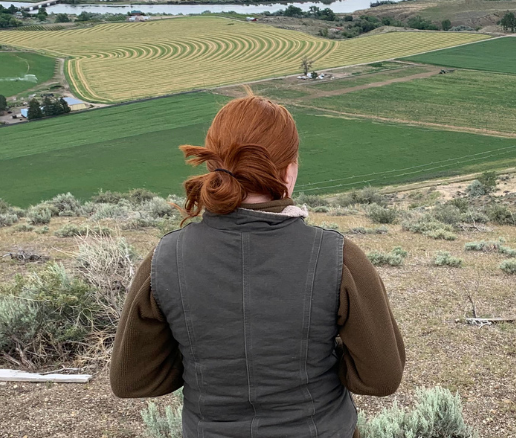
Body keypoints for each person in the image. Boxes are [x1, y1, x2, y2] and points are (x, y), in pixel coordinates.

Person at [110, 93, 405, 437]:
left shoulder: (164, 260)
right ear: (289, 170)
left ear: (212, 167)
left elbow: (131, 380)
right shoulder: (338, 257)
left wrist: (204, 359)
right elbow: (381, 377)